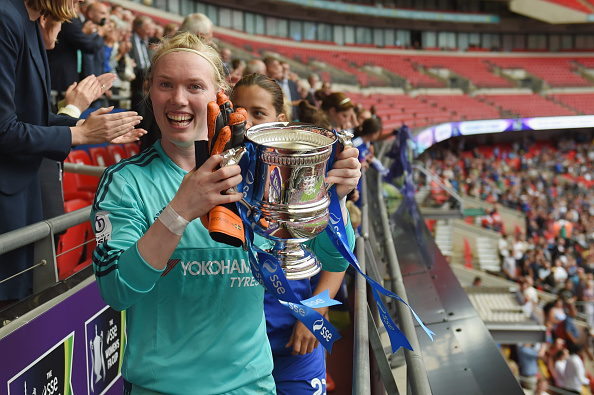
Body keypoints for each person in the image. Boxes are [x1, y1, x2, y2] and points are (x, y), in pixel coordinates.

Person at [91, 34, 361, 394]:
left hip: (252, 387)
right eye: (165, 85)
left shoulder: (264, 174)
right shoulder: (126, 182)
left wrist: (333, 202)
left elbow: (330, 256)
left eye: (195, 86)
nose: (179, 99)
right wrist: (178, 213)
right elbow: (117, 291)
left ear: (221, 96)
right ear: (150, 92)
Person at [0, 0, 145, 307]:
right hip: (8, 200)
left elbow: (29, 118)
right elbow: (4, 129)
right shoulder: (5, 17)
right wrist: (79, 133)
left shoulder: (26, 19)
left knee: (21, 302)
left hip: (21, 194)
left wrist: (86, 127)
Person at [231, 72, 359, 394]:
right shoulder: (216, 176)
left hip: (294, 340)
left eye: (259, 113)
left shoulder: (304, 180)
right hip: (231, 352)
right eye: (239, 112)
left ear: (281, 122)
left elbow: (336, 259)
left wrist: (315, 310)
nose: (247, 124)